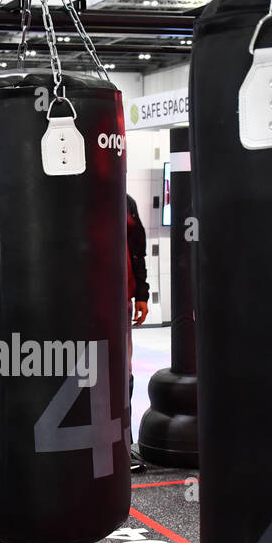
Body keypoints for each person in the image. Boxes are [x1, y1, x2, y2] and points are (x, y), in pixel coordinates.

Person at [126, 194, 149, 473]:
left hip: (121, 298)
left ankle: (124, 445)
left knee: (124, 372)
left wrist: (142, 293)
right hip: (82, 299)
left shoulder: (127, 202)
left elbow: (137, 249)